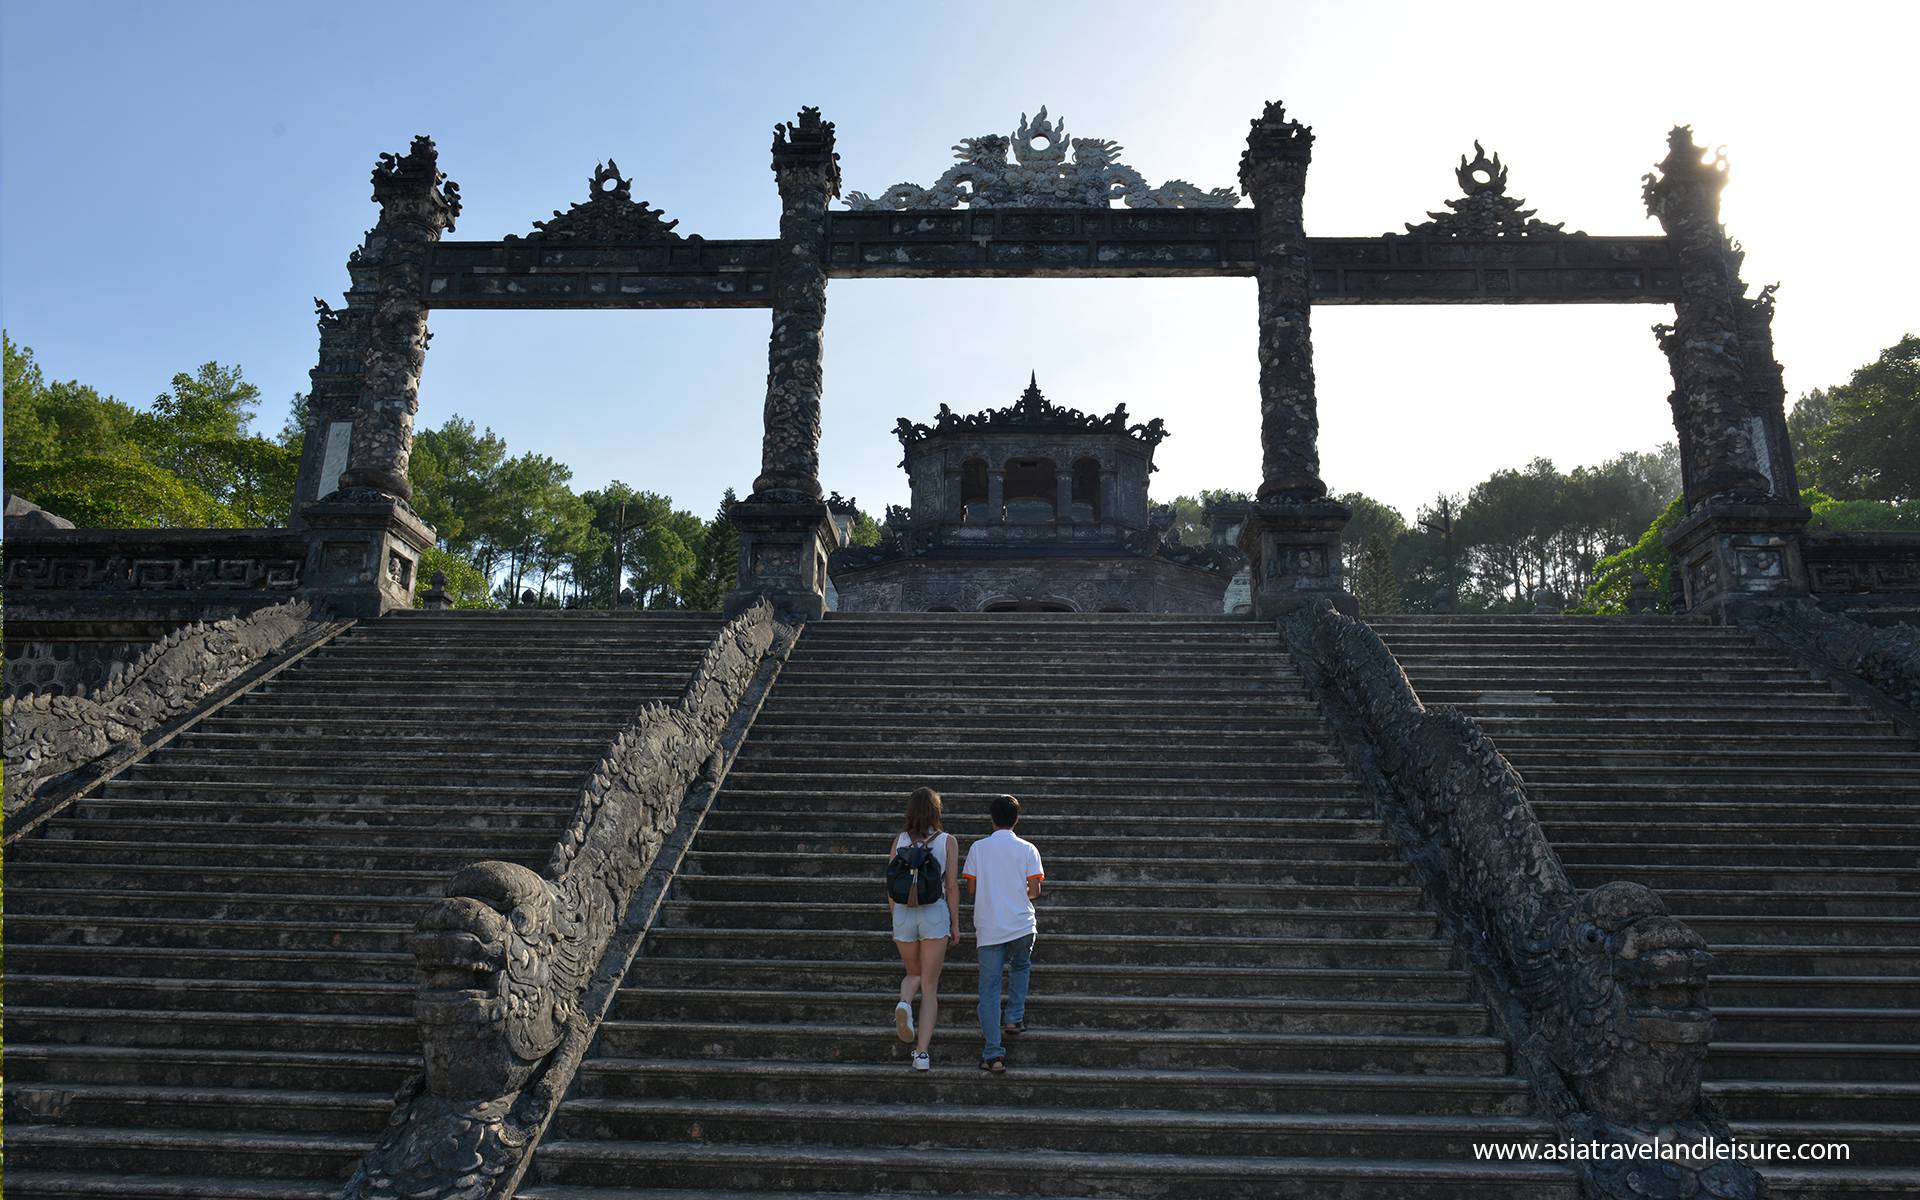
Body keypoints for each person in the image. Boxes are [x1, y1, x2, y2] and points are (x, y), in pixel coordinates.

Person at [961, 793, 1044, 1073]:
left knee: (989, 988)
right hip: (1021, 923)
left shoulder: (978, 848)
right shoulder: (1028, 849)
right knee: (1021, 966)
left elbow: (970, 889)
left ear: (992, 819)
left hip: (990, 926)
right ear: (1017, 819)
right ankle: (1014, 1017)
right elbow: (1034, 890)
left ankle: (993, 1054)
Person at [886, 785, 960, 1071]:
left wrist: (896, 915)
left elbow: (891, 883)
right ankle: (921, 1054)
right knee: (929, 986)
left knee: (912, 973)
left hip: (904, 913)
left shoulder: (900, 839)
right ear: (936, 811)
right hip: (933, 913)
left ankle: (904, 1002)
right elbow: (951, 887)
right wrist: (956, 923)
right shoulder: (947, 841)